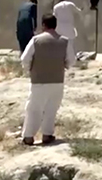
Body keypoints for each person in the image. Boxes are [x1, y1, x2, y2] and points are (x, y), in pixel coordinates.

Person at [20, 13, 75, 145]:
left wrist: (30, 69)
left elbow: (25, 59)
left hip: (39, 80)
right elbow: (72, 60)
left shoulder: (36, 40)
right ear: (56, 25)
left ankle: (28, 136)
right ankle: (47, 134)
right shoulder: (65, 40)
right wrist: (65, 65)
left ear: (43, 25)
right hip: (57, 80)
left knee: (34, 108)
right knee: (51, 108)